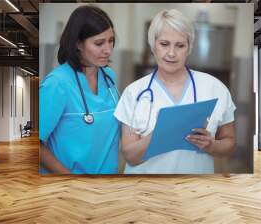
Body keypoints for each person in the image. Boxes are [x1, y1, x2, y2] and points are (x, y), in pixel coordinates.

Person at [114, 9, 236, 174]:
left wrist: (212, 145)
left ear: (189, 47)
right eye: (164, 44)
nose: (171, 53)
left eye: (180, 45)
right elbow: (129, 155)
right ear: (153, 45)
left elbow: (229, 143)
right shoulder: (134, 92)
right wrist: (160, 134)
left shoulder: (215, 88)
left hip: (195, 190)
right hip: (145, 193)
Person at [39, 5, 119, 174]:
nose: (108, 50)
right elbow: (37, 146)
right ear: (78, 44)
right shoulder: (57, 84)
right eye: (99, 43)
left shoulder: (109, 76)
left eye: (111, 40)